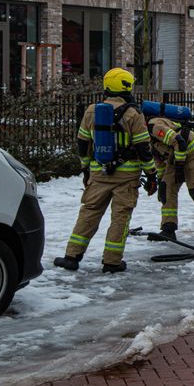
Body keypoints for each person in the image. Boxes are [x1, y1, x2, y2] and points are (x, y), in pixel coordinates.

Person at [54, 68, 158, 273]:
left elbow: (82, 142)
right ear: (127, 86)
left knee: (89, 213)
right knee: (120, 217)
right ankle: (112, 261)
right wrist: (152, 174)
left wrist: (85, 167)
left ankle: (71, 256)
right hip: (127, 177)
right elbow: (143, 148)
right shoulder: (133, 113)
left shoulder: (92, 110)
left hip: (98, 173)